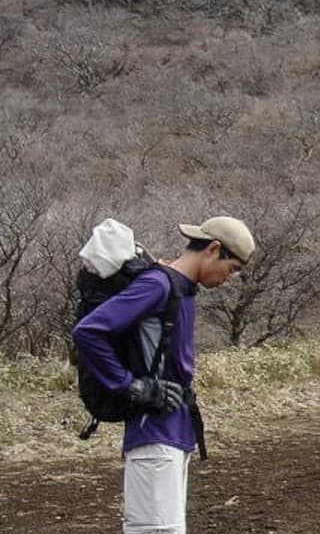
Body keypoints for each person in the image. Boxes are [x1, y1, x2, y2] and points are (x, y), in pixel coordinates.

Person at [73, 216, 255, 534]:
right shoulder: (158, 285)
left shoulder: (178, 288)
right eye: (233, 268)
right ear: (214, 249)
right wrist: (131, 386)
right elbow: (89, 332)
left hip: (173, 430)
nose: (230, 277)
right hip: (154, 432)